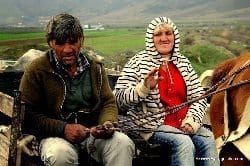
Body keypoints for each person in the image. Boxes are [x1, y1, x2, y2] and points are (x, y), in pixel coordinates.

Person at [19, 13, 134, 166]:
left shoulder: (95, 68)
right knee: (59, 155)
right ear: (50, 43)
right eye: (60, 43)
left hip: (91, 133)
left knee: (122, 143)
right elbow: (27, 114)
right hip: (54, 137)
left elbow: (108, 102)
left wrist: (107, 122)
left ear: (81, 40)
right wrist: (63, 129)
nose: (67, 49)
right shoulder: (37, 70)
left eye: (73, 42)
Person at [114, 16, 219, 166]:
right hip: (152, 125)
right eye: (158, 34)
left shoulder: (183, 63)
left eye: (168, 33)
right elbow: (118, 99)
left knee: (209, 139)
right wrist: (143, 88)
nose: (164, 38)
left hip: (184, 123)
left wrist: (192, 121)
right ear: (151, 38)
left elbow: (199, 97)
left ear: (175, 36)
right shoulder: (137, 63)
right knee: (184, 143)